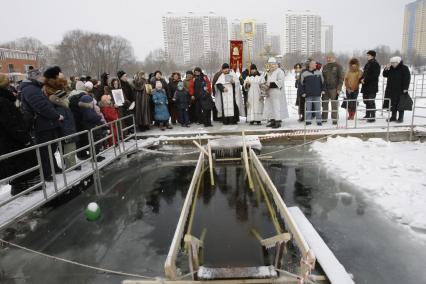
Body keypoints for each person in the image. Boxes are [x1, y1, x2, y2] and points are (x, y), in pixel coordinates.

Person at [20, 67, 64, 181]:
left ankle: (53, 168)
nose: (43, 78)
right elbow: (41, 106)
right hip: (41, 125)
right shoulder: (30, 89)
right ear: (35, 77)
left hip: (47, 123)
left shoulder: (35, 87)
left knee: (51, 147)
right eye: (40, 76)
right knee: (44, 150)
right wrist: (56, 116)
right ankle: (47, 173)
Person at [0, 74, 41, 195]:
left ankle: (21, 186)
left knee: (17, 162)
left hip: (8, 140)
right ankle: (22, 187)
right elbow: (11, 124)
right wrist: (24, 138)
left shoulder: (6, 99)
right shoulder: (3, 101)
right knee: (21, 161)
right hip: (12, 140)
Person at [43, 69, 80, 171]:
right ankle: (71, 164)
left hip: (65, 120)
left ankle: (70, 162)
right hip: (63, 120)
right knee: (69, 143)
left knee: (68, 143)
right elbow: (61, 105)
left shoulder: (53, 92)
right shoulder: (53, 95)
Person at [383, 56, 411, 123]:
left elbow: (407, 79)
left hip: (401, 90)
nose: (392, 64)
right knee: (393, 104)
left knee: (401, 104)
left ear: (398, 62)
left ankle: (400, 118)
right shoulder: (391, 68)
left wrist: (405, 88)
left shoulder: (404, 68)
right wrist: (386, 69)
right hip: (391, 89)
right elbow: (385, 75)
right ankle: (393, 117)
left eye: (394, 63)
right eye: (391, 63)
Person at [263, 57, 289, 128]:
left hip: (276, 91)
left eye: (272, 64)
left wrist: (270, 84)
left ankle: (277, 121)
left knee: (276, 106)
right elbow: (264, 80)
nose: (271, 65)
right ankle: (272, 120)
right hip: (269, 92)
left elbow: (280, 82)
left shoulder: (279, 71)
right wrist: (264, 84)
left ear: (276, 64)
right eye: (269, 64)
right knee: (270, 107)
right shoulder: (268, 72)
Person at [300, 59, 325, 126]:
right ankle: (308, 121)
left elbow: (323, 83)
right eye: (314, 64)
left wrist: (323, 90)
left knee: (318, 108)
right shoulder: (304, 73)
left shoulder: (319, 72)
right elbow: (301, 84)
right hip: (308, 94)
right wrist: (302, 92)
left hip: (317, 94)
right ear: (310, 65)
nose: (316, 65)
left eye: (315, 64)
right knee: (308, 108)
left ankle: (319, 120)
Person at [322, 53, 344, 125]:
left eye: (330, 57)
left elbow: (341, 78)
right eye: (327, 57)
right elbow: (322, 78)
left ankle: (334, 119)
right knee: (324, 104)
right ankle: (324, 118)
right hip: (325, 89)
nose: (328, 59)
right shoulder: (325, 66)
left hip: (334, 89)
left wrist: (339, 88)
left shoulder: (338, 66)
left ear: (334, 57)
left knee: (334, 105)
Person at [361, 50, 381, 122]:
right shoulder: (368, 64)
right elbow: (364, 73)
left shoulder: (375, 64)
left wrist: (365, 80)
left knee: (371, 101)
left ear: (372, 56)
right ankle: (367, 114)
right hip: (366, 86)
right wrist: (361, 79)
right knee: (366, 101)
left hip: (372, 87)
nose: (367, 56)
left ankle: (372, 117)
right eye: (367, 55)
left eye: (368, 55)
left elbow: (375, 76)